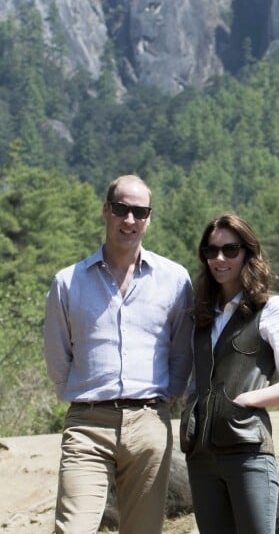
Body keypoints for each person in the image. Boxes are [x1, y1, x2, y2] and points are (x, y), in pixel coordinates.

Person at [44, 174, 194, 534]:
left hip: (149, 422)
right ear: (106, 211)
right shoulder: (68, 281)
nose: (130, 219)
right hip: (87, 423)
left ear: (149, 218)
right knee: (72, 528)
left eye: (139, 212)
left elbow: (182, 348)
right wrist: (80, 396)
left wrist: (167, 397)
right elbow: (57, 353)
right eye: (121, 209)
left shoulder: (175, 280)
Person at [180, 214, 279, 534]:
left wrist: (247, 399)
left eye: (230, 249)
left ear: (248, 253)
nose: (220, 258)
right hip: (200, 458)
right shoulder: (199, 314)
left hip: (248, 453)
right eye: (211, 251)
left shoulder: (272, 309)